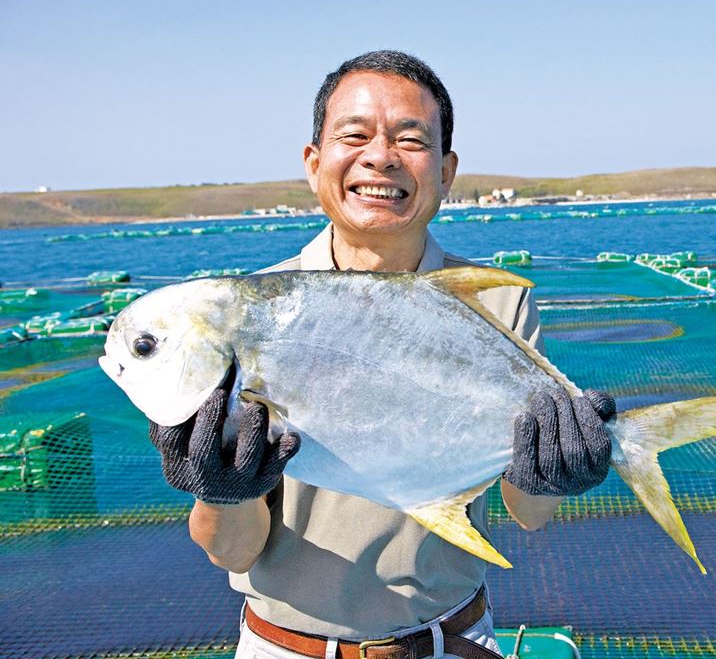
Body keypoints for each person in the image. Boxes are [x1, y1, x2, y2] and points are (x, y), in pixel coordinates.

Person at [148, 50, 617, 659]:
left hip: (451, 642)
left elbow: (529, 513)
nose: (380, 156)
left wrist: (554, 470)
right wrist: (221, 489)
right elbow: (232, 551)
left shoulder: (496, 303)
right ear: (314, 164)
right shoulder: (253, 314)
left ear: (446, 171)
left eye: (410, 139)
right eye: (355, 135)